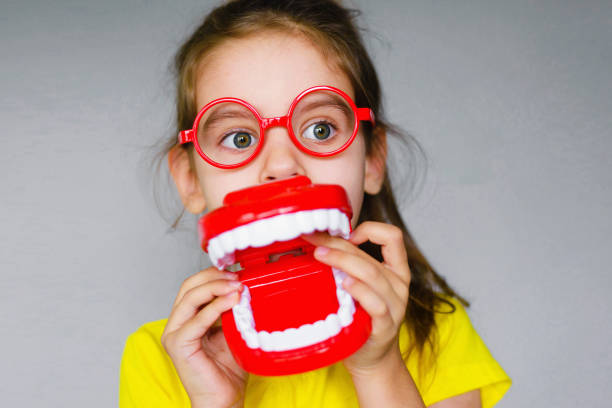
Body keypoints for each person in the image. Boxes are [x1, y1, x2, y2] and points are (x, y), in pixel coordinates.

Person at [119, 0, 511, 406]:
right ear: (189, 180)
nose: (284, 165)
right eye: (239, 137)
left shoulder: (435, 333)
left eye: (320, 129)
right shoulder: (163, 358)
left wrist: (379, 368)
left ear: (372, 160)